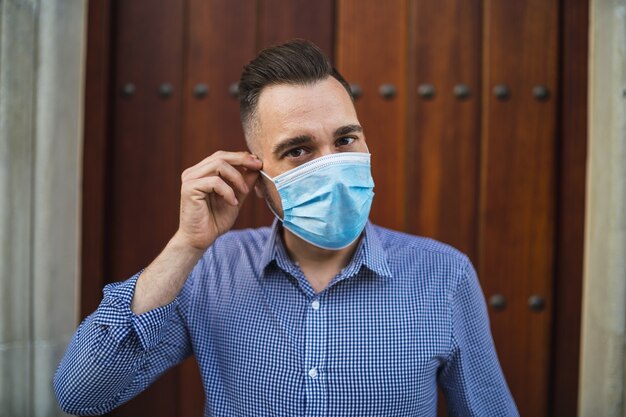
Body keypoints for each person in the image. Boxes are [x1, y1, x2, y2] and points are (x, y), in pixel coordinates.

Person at [54, 39, 518, 416]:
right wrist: (185, 246)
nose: (332, 164)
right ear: (257, 179)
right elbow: (82, 392)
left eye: (345, 139)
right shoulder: (211, 270)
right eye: (298, 150)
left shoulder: (445, 275)